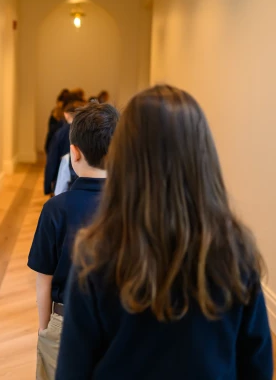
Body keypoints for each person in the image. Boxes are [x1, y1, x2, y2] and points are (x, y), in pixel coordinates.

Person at [56, 85, 272, 380]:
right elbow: (257, 367)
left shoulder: (96, 255)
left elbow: (73, 371)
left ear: (123, 160)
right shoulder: (234, 255)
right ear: (203, 158)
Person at [28, 102, 119, 380]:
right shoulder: (134, 207)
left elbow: (44, 277)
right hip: (120, 326)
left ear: (74, 152)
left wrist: (45, 330)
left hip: (65, 324)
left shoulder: (56, 208)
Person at [44, 99, 85, 195]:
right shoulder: (87, 132)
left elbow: (52, 161)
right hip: (82, 179)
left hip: (61, 179)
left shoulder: (60, 134)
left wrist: (47, 185)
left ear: (66, 114)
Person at [44, 89, 70, 154]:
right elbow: (52, 129)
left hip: (54, 143)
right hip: (54, 143)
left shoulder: (58, 113)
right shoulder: (55, 113)